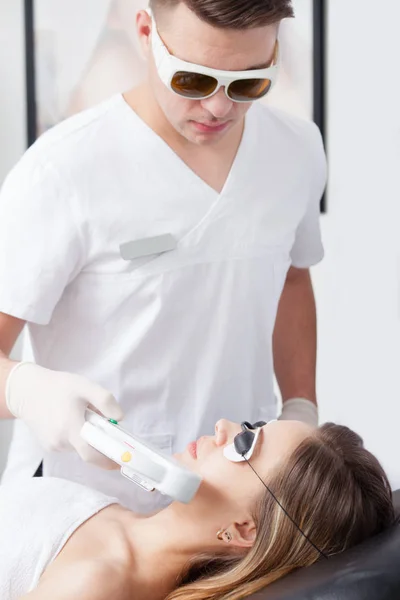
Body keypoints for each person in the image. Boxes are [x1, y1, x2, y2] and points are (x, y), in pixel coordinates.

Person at [0, 0, 327, 511]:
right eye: (193, 81)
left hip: (241, 509)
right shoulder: (61, 173)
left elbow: (290, 278)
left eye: (248, 83)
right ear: (145, 32)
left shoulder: (297, 151)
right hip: (89, 510)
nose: (220, 107)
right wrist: (25, 389)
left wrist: (301, 408)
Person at [0, 419, 396, 600]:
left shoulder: (101, 583)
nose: (222, 426)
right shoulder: (125, 525)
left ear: (243, 530)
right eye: (250, 425)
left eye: (244, 446)